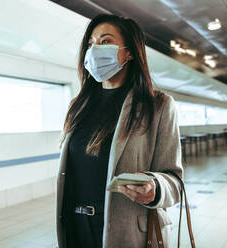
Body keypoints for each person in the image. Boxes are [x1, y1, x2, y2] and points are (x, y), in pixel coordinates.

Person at [56, 14, 183, 248]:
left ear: (130, 52)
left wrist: (155, 188)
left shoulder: (158, 106)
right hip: (76, 227)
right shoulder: (78, 105)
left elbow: (175, 182)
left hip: (128, 232)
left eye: (105, 41)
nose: (95, 50)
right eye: (91, 43)